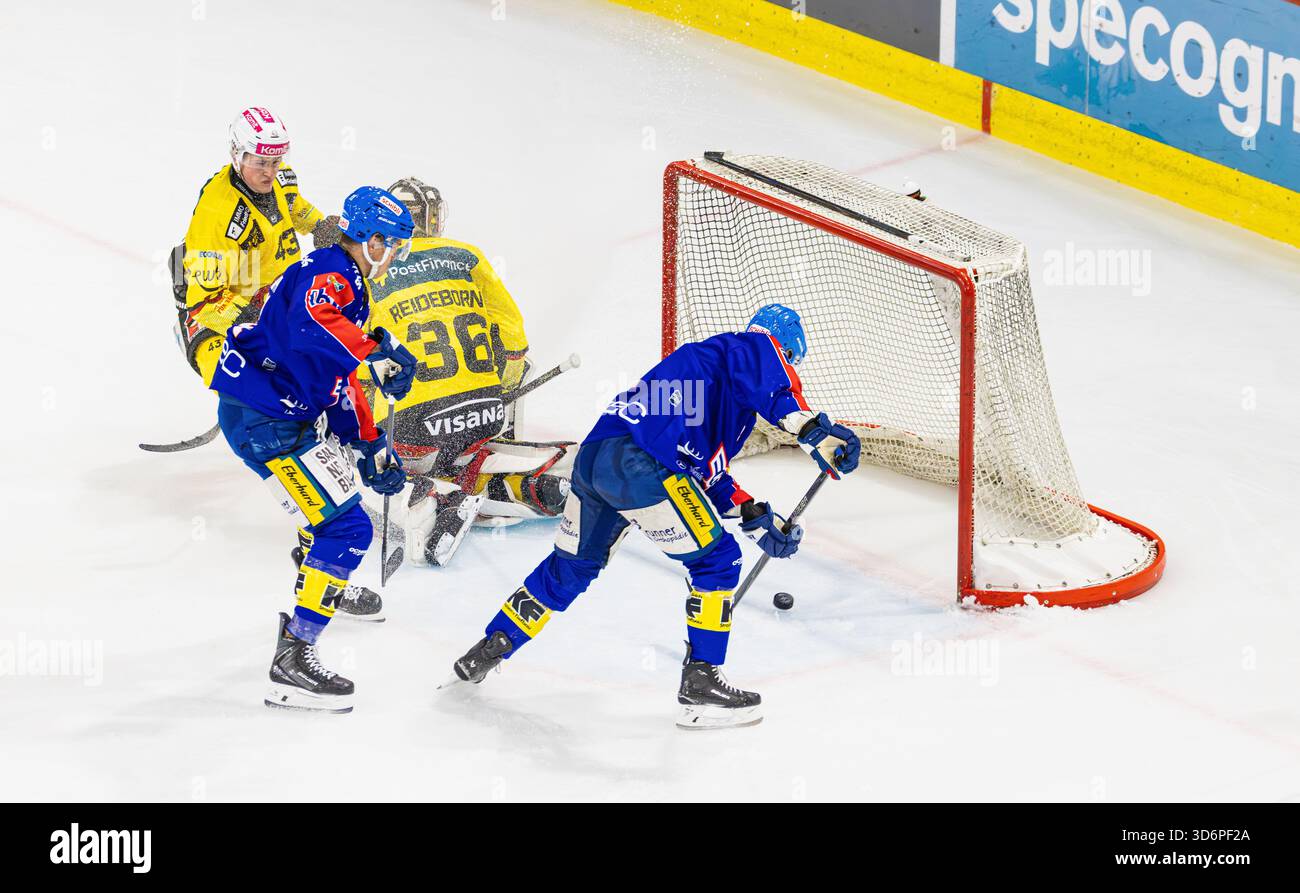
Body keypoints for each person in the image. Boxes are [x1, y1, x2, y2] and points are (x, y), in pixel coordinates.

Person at [449, 304, 862, 729]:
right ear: (785, 353)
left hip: (596, 460)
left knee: (571, 567)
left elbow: (704, 478)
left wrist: (757, 517)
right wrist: (815, 432)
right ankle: (701, 683)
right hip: (641, 465)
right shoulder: (746, 349)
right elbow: (772, 380)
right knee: (718, 560)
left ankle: (490, 648)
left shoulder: (713, 385)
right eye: (788, 363)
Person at [209, 185, 419, 714]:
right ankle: (292, 660)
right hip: (266, 420)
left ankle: (323, 580)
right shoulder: (329, 273)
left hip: (280, 413)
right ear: (369, 240)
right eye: (390, 244)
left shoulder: (343, 279)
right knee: (347, 528)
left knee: (337, 489)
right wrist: (375, 353)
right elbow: (311, 323)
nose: (394, 255)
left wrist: (370, 444)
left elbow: (338, 375)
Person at [172, 107, 382, 620]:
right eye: (258, 161)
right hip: (230, 332)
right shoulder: (219, 214)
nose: (269, 170)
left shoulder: (280, 177)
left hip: (286, 318)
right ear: (236, 155)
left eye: (275, 159)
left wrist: (331, 230)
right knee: (302, 425)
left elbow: (302, 213)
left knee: (329, 405)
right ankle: (326, 544)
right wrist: (257, 318)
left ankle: (321, 549)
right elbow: (203, 299)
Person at [336, 177, 571, 568]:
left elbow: (351, 353)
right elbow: (514, 338)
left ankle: (431, 499)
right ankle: (527, 486)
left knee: (345, 458)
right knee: (462, 458)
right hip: (485, 416)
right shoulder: (468, 255)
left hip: (412, 430)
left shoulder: (368, 269)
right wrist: (500, 389)